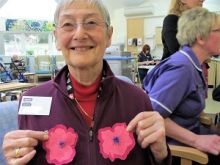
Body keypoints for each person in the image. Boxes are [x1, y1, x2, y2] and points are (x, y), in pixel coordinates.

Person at [2, 0, 171, 165]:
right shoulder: (31, 101)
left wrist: (161, 155)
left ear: (109, 35)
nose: (80, 34)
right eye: (68, 24)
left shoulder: (137, 99)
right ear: (57, 38)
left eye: (91, 22)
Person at [144, 7, 220, 165]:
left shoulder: (193, 64)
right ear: (200, 37)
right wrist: (196, 140)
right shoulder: (182, 68)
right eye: (218, 30)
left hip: (193, 134)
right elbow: (152, 116)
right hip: (180, 150)